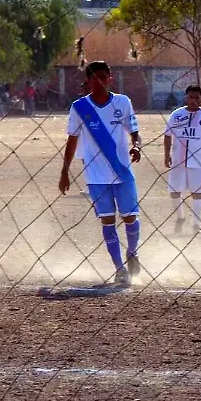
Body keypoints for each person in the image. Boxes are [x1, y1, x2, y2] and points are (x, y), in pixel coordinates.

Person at [58, 61, 144, 286]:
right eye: (95, 77)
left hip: (122, 172)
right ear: (88, 81)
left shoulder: (122, 102)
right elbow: (72, 140)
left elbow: (134, 131)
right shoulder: (80, 108)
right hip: (96, 176)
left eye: (104, 77)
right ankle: (119, 268)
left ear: (110, 79)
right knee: (107, 221)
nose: (100, 81)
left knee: (130, 217)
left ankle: (133, 252)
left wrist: (137, 146)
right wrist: (65, 172)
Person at [163, 85, 201, 235]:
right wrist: (166, 155)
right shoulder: (176, 115)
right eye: (191, 97)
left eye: (197, 97)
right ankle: (180, 218)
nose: (193, 100)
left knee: (197, 193)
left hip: (197, 162)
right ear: (186, 97)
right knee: (174, 192)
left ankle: (196, 224)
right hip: (178, 161)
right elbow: (167, 135)